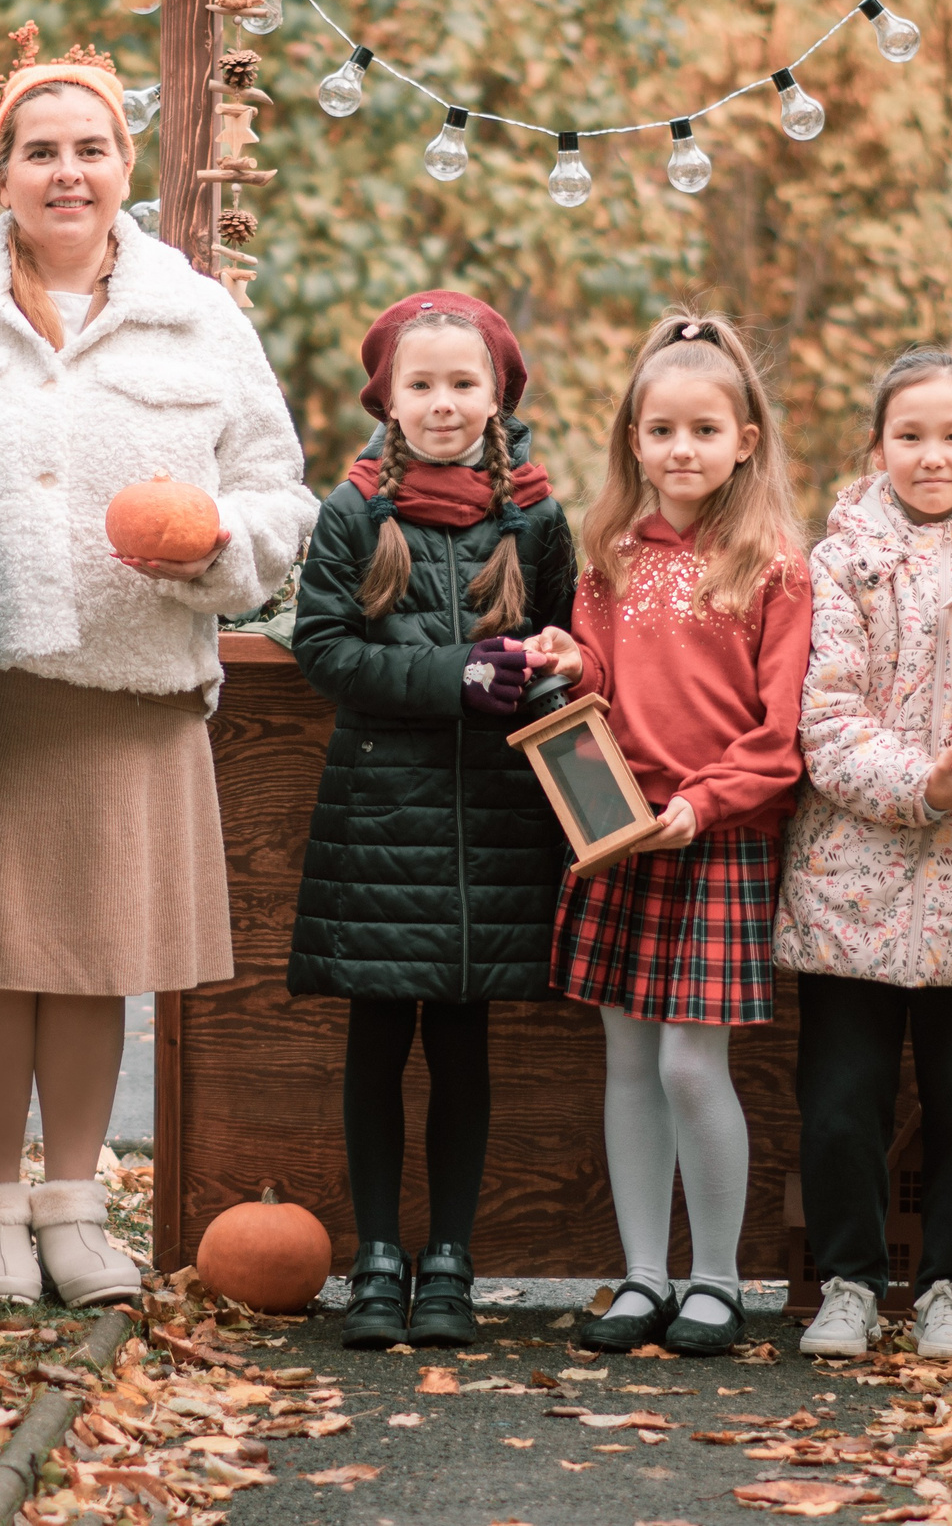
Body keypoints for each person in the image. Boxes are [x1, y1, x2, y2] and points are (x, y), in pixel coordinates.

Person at [0, 62, 317, 1306]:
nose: (67, 172)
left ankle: (73, 1209)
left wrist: (217, 545)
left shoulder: (199, 316)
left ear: (125, 167)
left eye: (91, 148)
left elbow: (279, 493)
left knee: (92, 960)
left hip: (133, 688)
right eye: (40, 151)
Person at [286, 291, 578, 1350]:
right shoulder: (354, 510)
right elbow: (325, 648)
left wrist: (556, 661)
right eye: (422, 384)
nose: (443, 402)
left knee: (463, 1041)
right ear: (388, 397)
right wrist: (453, 673)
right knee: (376, 1037)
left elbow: (566, 631)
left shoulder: (535, 517)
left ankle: (449, 1257)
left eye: (463, 382)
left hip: (495, 819)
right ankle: (376, 1255)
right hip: (381, 817)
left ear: (497, 394)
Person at [526, 312, 809, 1357]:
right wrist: (572, 661)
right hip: (622, 829)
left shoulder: (774, 564)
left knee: (693, 1065)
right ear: (633, 441)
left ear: (745, 440)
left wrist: (709, 800)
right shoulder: (607, 553)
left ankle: (717, 1279)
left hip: (716, 834)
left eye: (703, 429)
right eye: (661, 430)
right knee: (630, 1062)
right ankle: (643, 1274)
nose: (681, 448)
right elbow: (604, 679)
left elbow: (780, 732)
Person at [778, 350, 952, 1359]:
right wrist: (921, 783)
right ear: (877, 447)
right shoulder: (840, 562)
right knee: (841, 1102)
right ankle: (848, 1280)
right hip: (847, 880)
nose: (931, 455)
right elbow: (826, 721)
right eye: (910, 435)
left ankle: (948, 1284)